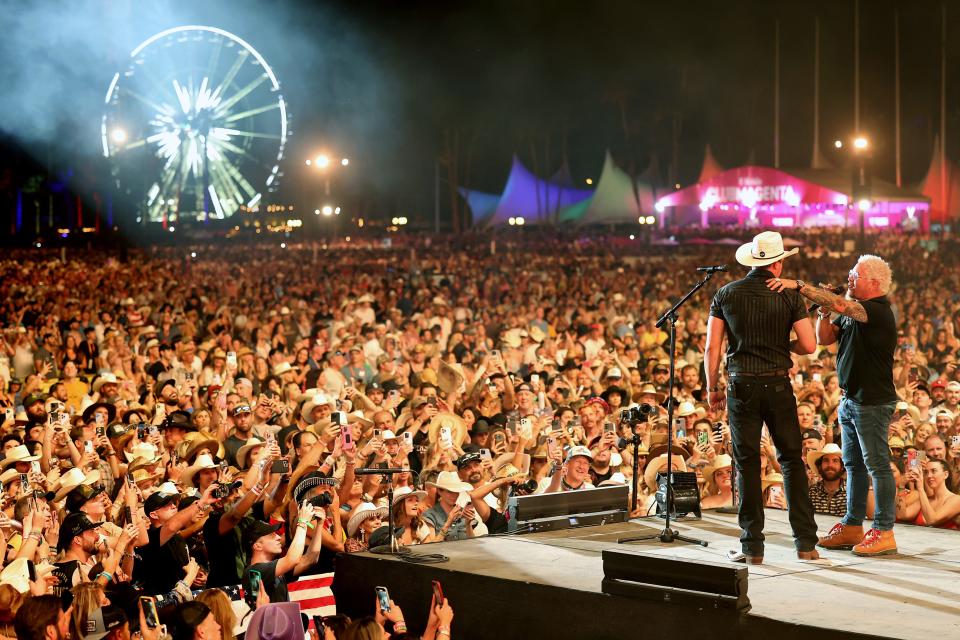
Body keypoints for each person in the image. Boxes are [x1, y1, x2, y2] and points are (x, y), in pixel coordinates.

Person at [706, 231, 820, 564]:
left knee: (747, 465)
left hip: (741, 386)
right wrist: (784, 345)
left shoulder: (726, 293)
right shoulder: (788, 296)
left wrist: (711, 387)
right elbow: (810, 346)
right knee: (791, 462)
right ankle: (805, 544)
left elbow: (712, 347)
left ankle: (752, 549)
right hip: (778, 385)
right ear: (779, 263)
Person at [774, 254, 900, 556]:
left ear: (874, 282)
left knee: (877, 466)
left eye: (854, 275)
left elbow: (845, 306)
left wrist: (803, 287)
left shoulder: (879, 310)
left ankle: (883, 530)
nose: (849, 278)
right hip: (849, 399)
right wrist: (824, 311)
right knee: (854, 465)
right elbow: (825, 338)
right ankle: (853, 525)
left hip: (872, 402)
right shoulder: (851, 308)